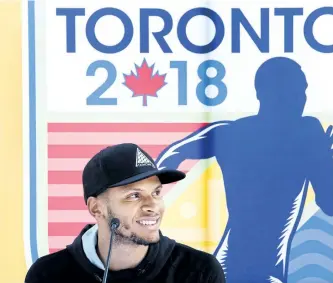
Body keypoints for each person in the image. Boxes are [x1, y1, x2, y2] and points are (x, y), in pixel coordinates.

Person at [156, 57, 333, 283]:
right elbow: (328, 202)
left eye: (302, 91)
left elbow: (173, 154)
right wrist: (324, 160)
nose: (300, 99)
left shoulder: (231, 133)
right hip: (254, 270)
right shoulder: (306, 133)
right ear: (263, 94)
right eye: (291, 92)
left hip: (228, 266)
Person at [25, 143, 226, 283]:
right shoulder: (48, 274)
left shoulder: (198, 271)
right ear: (96, 208)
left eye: (156, 193)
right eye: (134, 196)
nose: (152, 206)